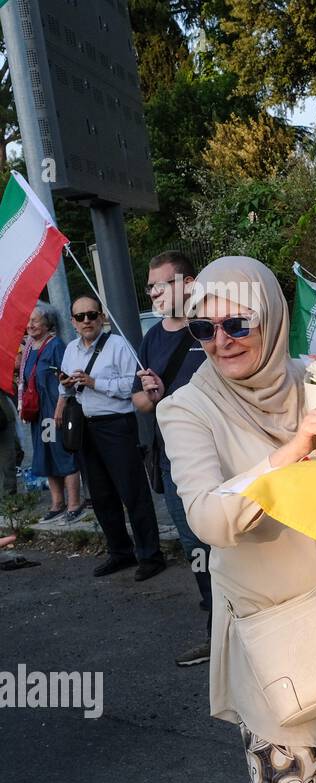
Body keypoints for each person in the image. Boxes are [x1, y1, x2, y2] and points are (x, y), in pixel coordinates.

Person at [157, 256, 316, 783]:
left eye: (237, 324)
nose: (221, 342)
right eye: (204, 330)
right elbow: (208, 518)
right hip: (274, 644)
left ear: (274, 319)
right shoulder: (186, 409)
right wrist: (294, 448)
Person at [132, 251, 213, 666]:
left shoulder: (212, 324)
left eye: (160, 285)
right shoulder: (150, 338)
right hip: (173, 462)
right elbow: (140, 403)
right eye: (150, 286)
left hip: (219, 456)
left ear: (188, 283)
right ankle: (217, 634)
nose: (153, 293)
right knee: (195, 546)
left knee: (230, 546)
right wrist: (150, 393)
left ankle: (250, 628)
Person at [56, 293, 166, 580]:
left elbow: (131, 385)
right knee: (102, 496)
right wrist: (67, 384)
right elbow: (66, 391)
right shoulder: (70, 350)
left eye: (92, 314)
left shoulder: (117, 345)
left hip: (116, 424)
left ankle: (151, 556)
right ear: (73, 322)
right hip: (86, 427)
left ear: (102, 317)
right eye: (80, 317)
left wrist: (94, 382)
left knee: (133, 492)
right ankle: (120, 552)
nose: (87, 321)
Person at [18, 304, 83, 521]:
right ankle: (57, 503)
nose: (30, 325)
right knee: (45, 454)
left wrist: (59, 408)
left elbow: (66, 380)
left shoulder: (55, 346)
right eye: (29, 321)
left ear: (47, 322)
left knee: (63, 454)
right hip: (39, 414)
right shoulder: (28, 348)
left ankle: (74, 503)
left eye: (35, 321)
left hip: (55, 410)